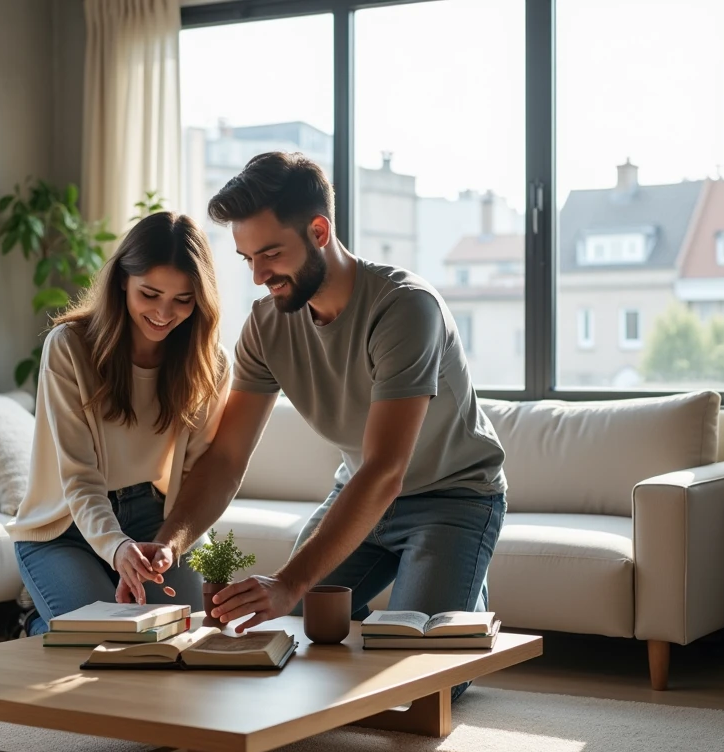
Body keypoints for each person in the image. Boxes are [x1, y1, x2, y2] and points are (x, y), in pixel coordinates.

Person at [118, 153, 506, 699]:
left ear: (319, 231)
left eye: (271, 254)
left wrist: (291, 581)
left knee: (426, 686)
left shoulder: (405, 309)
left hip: (454, 497)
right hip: (360, 498)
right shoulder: (266, 325)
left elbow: (386, 469)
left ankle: (458, 586)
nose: (258, 276)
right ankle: (439, 591)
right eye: (247, 258)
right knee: (290, 634)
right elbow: (226, 459)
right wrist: (169, 542)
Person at [7, 211, 230, 636]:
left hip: (155, 520)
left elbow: (196, 474)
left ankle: (55, 620)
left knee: (182, 636)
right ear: (122, 281)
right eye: (150, 293)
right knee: (107, 639)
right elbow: (80, 477)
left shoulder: (210, 364)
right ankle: (34, 626)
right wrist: (117, 547)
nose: (165, 313)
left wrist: (169, 543)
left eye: (183, 300)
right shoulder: (69, 347)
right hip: (64, 527)